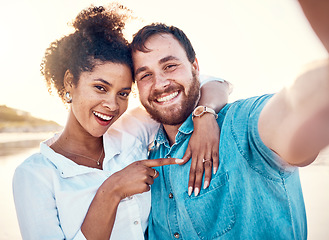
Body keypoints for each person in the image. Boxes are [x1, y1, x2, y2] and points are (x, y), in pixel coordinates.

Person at [12, 4, 230, 240]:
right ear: (69, 82)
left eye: (123, 93)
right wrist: (112, 191)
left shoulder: (131, 133)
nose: (112, 105)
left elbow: (206, 82)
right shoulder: (36, 175)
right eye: (100, 88)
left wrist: (205, 115)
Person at [130, 9, 329, 239]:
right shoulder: (145, 151)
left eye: (170, 66)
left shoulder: (240, 124)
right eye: (145, 75)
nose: (160, 83)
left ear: (195, 67)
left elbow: (293, 109)